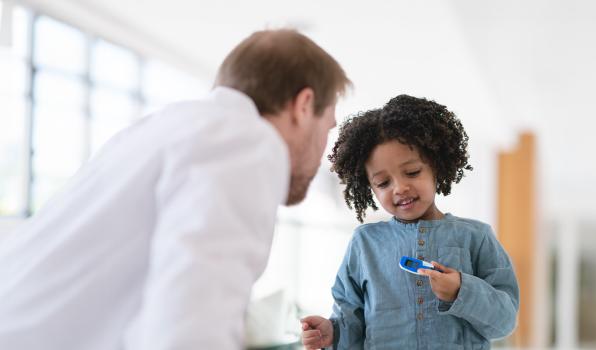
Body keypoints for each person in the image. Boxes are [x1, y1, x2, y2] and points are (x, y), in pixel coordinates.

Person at [0, 29, 350, 350]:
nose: (323, 149)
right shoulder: (246, 140)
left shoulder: (161, 129)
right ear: (304, 106)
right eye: (328, 126)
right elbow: (190, 331)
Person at [300, 95, 519, 349]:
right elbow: (351, 320)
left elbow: (504, 321)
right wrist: (333, 333)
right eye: (383, 183)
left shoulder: (476, 236)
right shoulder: (365, 243)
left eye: (412, 172)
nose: (400, 188)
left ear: (435, 166)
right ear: (369, 187)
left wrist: (462, 291)